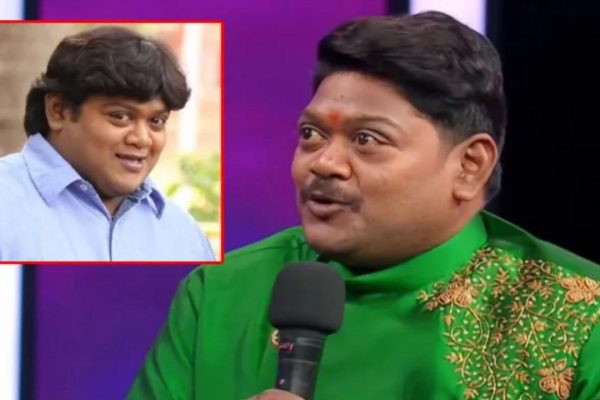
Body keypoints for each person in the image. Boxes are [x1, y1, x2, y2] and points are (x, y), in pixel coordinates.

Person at [128, 11, 600, 399]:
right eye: (311, 134)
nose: (324, 163)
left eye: (367, 139)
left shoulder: (579, 315)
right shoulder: (220, 296)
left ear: (469, 166)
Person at [0, 26, 215, 261]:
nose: (142, 139)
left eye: (157, 121)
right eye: (120, 116)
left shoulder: (184, 235)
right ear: (58, 111)